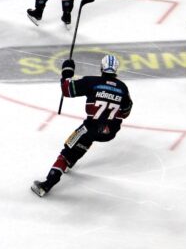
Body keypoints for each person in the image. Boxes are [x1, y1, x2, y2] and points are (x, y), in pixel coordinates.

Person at [31, 55, 133, 197]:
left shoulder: (92, 82)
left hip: (90, 128)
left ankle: (46, 185)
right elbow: (126, 111)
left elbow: (66, 89)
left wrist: (67, 70)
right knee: (87, 138)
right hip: (110, 133)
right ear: (116, 69)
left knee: (66, 153)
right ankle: (72, 160)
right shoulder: (123, 88)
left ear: (101, 68)